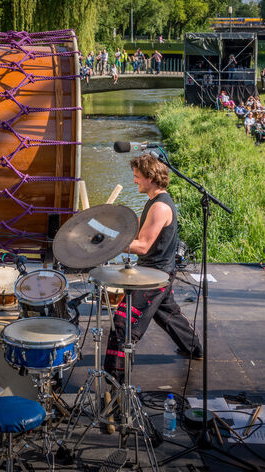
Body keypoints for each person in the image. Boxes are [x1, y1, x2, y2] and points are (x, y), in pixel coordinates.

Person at [103, 154, 203, 393]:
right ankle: (195, 349)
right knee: (167, 314)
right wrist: (104, 223)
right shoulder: (153, 201)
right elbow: (134, 229)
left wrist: (108, 242)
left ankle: (115, 381)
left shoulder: (159, 207)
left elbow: (143, 245)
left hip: (155, 276)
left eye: (138, 176)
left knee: (123, 322)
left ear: (150, 177)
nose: (134, 180)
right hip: (159, 272)